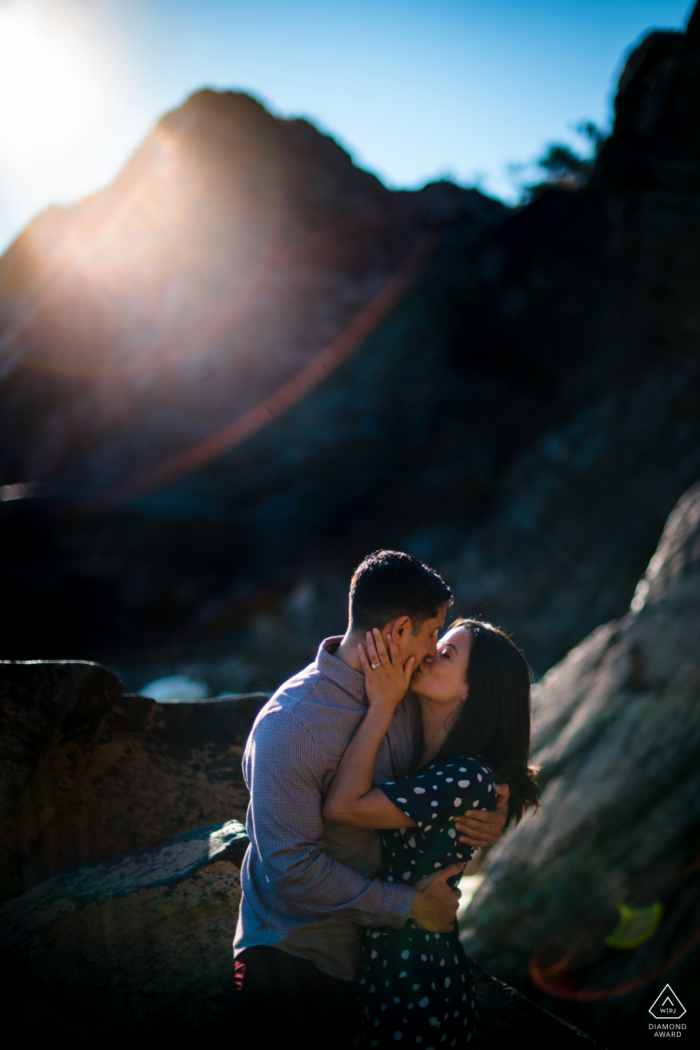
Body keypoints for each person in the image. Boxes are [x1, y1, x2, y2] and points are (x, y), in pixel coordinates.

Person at [230, 551, 511, 1049]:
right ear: (401, 630)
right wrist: (408, 907)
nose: (433, 650)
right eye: (432, 634)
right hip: (296, 962)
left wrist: (492, 812)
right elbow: (291, 869)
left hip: (381, 966)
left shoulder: (409, 695)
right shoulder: (291, 726)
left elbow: (460, 771)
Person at [322, 617, 540, 1049]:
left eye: (445, 654)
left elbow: (342, 806)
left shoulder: (464, 777)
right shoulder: (438, 759)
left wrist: (381, 706)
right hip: (391, 966)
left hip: (416, 982)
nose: (427, 653)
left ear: (472, 690)